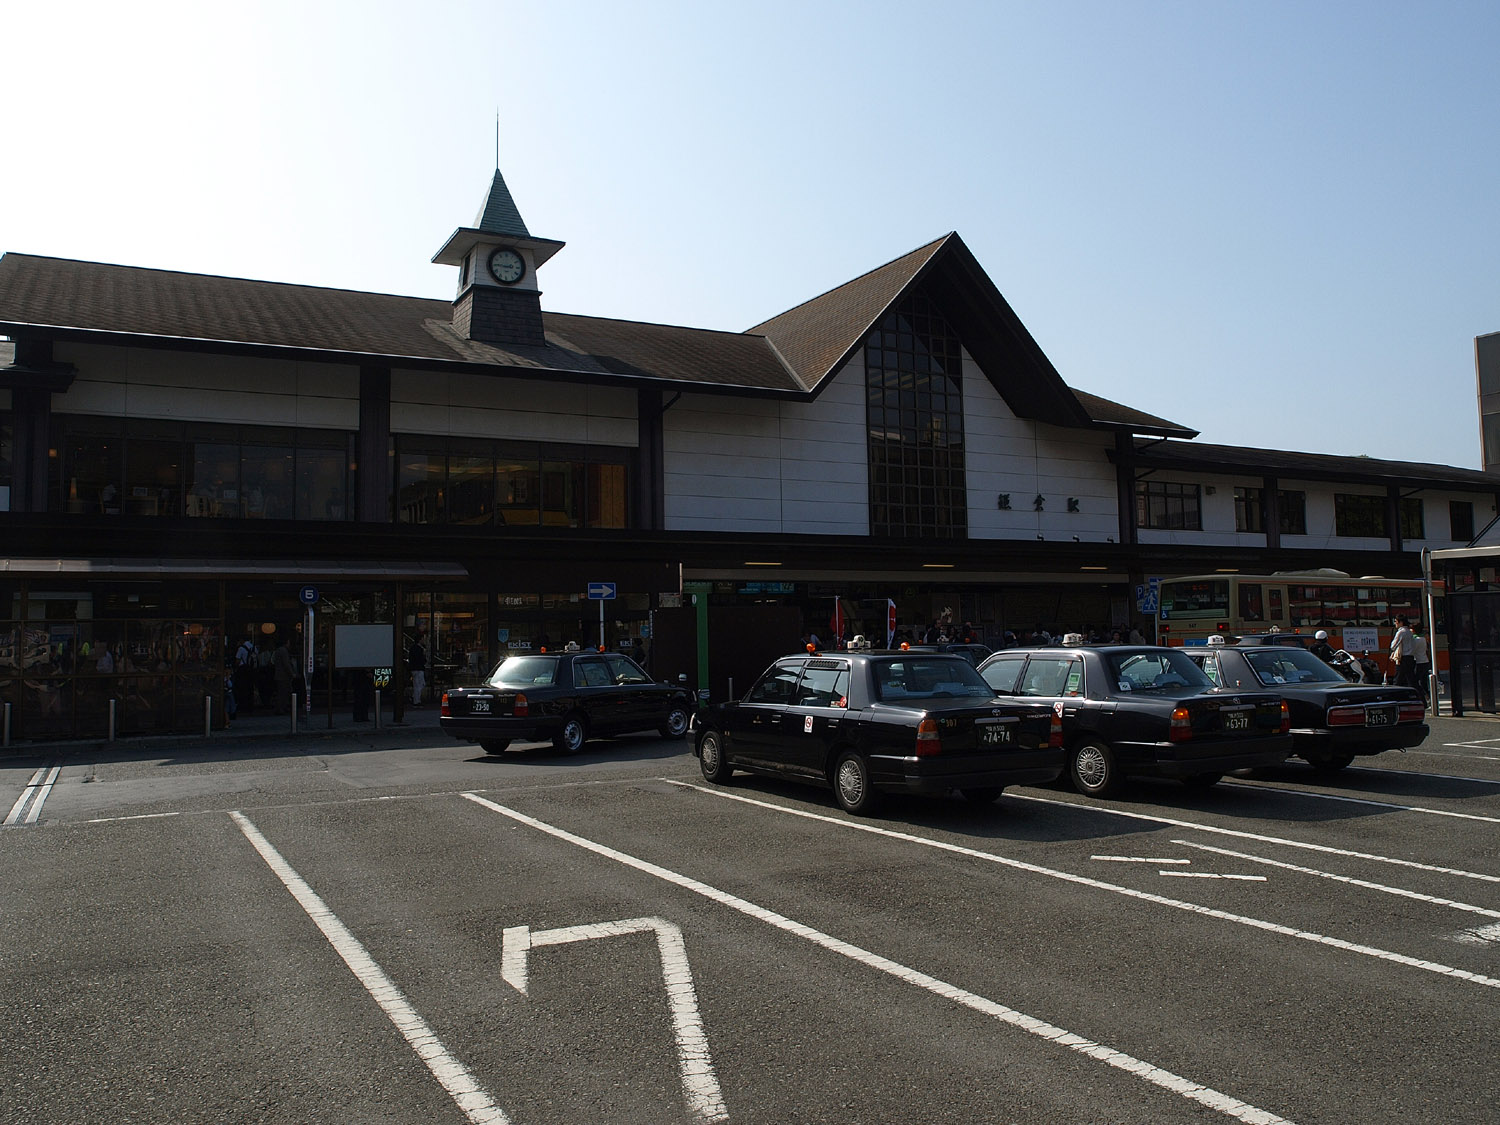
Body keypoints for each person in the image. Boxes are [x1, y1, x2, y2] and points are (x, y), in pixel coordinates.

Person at [1389, 615, 1417, 689]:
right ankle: (1420, 695)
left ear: (1401, 622)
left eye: (1396, 621)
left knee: (1398, 679)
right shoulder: (1410, 632)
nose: (1395, 623)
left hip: (1403, 658)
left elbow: (1393, 646)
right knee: (1411, 679)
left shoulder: (1401, 632)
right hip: (1410, 658)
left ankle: (1395, 695)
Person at [234, 635, 258, 715]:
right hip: (252, 670)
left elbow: (237, 661)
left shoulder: (241, 648)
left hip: (243, 670)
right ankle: (250, 706)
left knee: (242, 688)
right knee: (250, 688)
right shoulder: (254, 648)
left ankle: (243, 706)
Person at [272, 638, 296, 714]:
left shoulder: (278, 651)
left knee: (282, 692)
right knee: (283, 692)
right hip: (283, 675)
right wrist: (292, 673)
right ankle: (281, 708)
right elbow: (286, 664)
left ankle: (282, 707)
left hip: (280, 674)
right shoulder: (283, 651)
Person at [1411, 625, 1431, 704]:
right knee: (1424, 682)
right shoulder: (1423, 639)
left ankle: (1423, 697)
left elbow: (1412, 650)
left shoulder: (1415, 640)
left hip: (1419, 662)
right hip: (1425, 661)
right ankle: (1428, 696)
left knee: (1415, 681)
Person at [408, 632, 428, 707]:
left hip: (415, 668)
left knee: (418, 684)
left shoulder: (413, 648)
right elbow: (421, 659)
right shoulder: (419, 649)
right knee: (419, 685)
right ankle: (416, 700)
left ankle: (415, 698)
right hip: (418, 668)